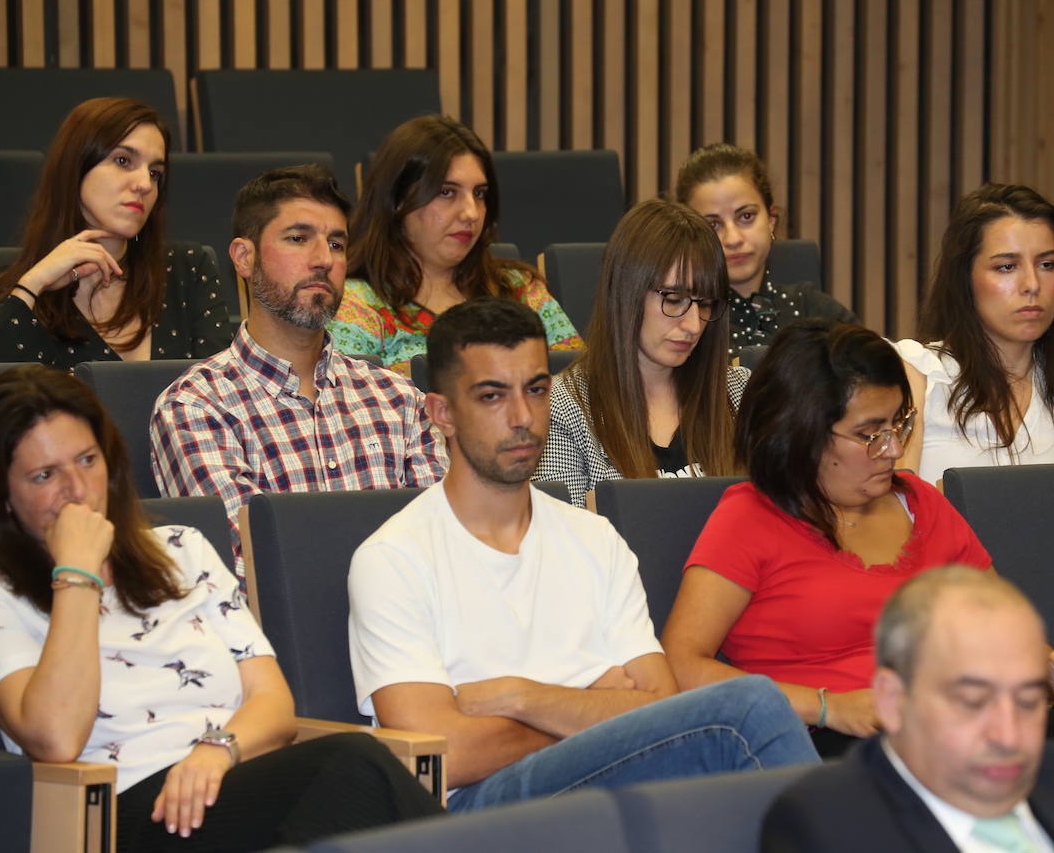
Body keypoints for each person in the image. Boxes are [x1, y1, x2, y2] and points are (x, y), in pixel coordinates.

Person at [661, 319, 1054, 831]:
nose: (892, 448)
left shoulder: (922, 505)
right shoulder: (750, 517)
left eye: (899, 425)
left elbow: (997, 632)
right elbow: (683, 664)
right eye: (869, 434)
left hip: (955, 723)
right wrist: (828, 707)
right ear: (802, 433)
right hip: (826, 740)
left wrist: (1041, 676)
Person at [348, 297, 820, 812]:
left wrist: (524, 698)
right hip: (480, 808)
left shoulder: (595, 538)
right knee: (748, 710)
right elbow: (445, 756)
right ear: (442, 413)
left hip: (609, 789)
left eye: (536, 390)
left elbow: (658, 702)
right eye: (491, 396)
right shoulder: (394, 559)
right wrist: (600, 708)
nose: (522, 417)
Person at [0, 365, 442, 852]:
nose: (76, 491)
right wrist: (78, 574)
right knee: (350, 767)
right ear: (2, 495)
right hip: (113, 813)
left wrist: (216, 752)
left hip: (227, 777)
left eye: (87, 460)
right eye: (43, 475)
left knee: (352, 785)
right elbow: (56, 740)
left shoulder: (181, 549)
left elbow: (273, 704)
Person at [760, 566, 1054, 852]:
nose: (1008, 735)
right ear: (892, 699)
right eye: (972, 702)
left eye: (1028, 700)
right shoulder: (826, 825)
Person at [149, 165, 447, 563]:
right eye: (298, 238)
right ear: (244, 257)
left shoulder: (400, 400)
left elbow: (445, 549)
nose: (324, 259)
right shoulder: (196, 407)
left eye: (337, 245)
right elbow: (251, 567)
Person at [895, 182, 1054, 485]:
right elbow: (892, 509)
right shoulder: (918, 373)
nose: (1032, 284)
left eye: (1047, 264)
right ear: (964, 280)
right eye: (1007, 266)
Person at [0, 97, 232, 369]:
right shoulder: (22, 286)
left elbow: (225, 389)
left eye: (154, 172)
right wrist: (35, 283)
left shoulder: (188, 267)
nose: (144, 184)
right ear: (75, 166)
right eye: (122, 160)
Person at [327, 114, 581, 372]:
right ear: (397, 201)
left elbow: (582, 388)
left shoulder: (522, 290)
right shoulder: (355, 303)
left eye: (479, 194)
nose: (471, 213)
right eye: (447, 192)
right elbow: (350, 402)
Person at [535, 198, 746, 506]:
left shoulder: (742, 393)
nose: (693, 324)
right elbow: (561, 541)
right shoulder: (563, 407)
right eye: (674, 299)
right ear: (627, 292)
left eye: (704, 303)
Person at [674, 143, 857, 357]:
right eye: (713, 225)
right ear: (689, 234)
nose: (733, 239)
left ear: (771, 221)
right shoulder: (680, 323)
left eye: (746, 217)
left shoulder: (814, 311)